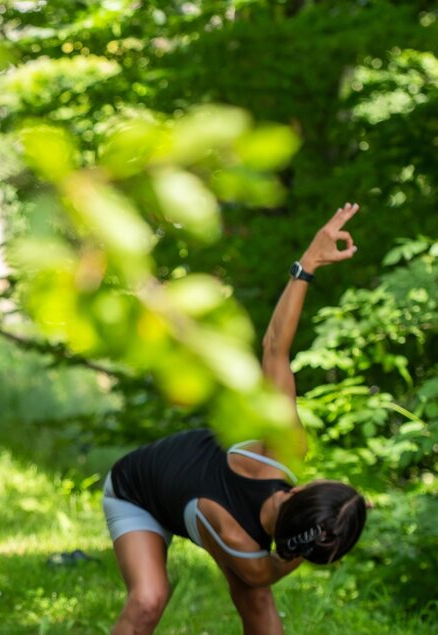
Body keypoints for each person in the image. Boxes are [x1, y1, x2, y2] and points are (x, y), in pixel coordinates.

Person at [103, 203, 369, 635]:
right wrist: (307, 264)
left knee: (257, 601)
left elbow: (269, 566)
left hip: (208, 507)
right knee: (149, 600)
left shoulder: (250, 547)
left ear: (301, 490)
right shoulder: (281, 450)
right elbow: (274, 350)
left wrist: (334, 518)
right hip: (137, 491)